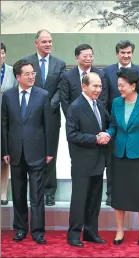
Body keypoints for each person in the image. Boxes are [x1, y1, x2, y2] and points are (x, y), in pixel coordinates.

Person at [1, 59, 54, 244]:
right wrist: (5, 150)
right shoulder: (7, 96)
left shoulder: (43, 95)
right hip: (15, 152)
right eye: (27, 74)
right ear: (17, 77)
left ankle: (38, 231)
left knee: (37, 194)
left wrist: (50, 151)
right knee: (18, 193)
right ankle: (20, 229)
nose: (32, 76)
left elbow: (49, 125)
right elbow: (4, 125)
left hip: (37, 151)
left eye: (33, 73)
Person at [106, 68, 139, 246]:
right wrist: (107, 134)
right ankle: (119, 231)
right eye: (118, 85)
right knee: (118, 195)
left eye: (122, 85)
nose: (119, 88)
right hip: (119, 155)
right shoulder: (116, 103)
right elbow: (113, 125)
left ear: (133, 85)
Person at [102, 40, 139, 206]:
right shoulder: (107, 72)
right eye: (122, 52)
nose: (126, 55)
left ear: (132, 53)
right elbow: (104, 100)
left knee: (134, 164)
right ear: (117, 54)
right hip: (115, 126)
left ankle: (132, 195)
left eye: (129, 52)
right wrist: (113, 123)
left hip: (135, 127)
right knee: (113, 163)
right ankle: (111, 194)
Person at [66, 73, 109, 248]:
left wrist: (106, 135)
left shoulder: (99, 104)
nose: (98, 90)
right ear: (84, 86)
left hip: (98, 161)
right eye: (95, 86)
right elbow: (72, 134)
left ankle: (91, 233)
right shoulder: (75, 107)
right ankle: (74, 234)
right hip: (82, 162)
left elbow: (107, 124)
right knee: (79, 199)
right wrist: (95, 139)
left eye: (100, 86)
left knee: (94, 199)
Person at [23, 29, 66, 206]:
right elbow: (25, 85)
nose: (48, 44)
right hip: (30, 117)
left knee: (50, 155)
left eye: (50, 41)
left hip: (52, 116)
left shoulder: (59, 63)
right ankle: (35, 191)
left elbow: (61, 89)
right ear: (36, 43)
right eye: (44, 42)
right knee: (32, 154)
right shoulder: (27, 62)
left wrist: (49, 105)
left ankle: (49, 191)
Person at [59, 44, 108, 117]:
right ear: (77, 58)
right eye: (85, 56)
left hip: (95, 118)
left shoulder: (101, 75)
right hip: (75, 118)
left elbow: (103, 99)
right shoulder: (67, 76)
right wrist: (72, 118)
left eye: (91, 56)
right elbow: (65, 101)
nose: (88, 58)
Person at [1, 42, 18, 205]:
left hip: (6, 120)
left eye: (2, 52)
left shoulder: (12, 72)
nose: (1, 55)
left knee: (4, 158)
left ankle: (3, 193)